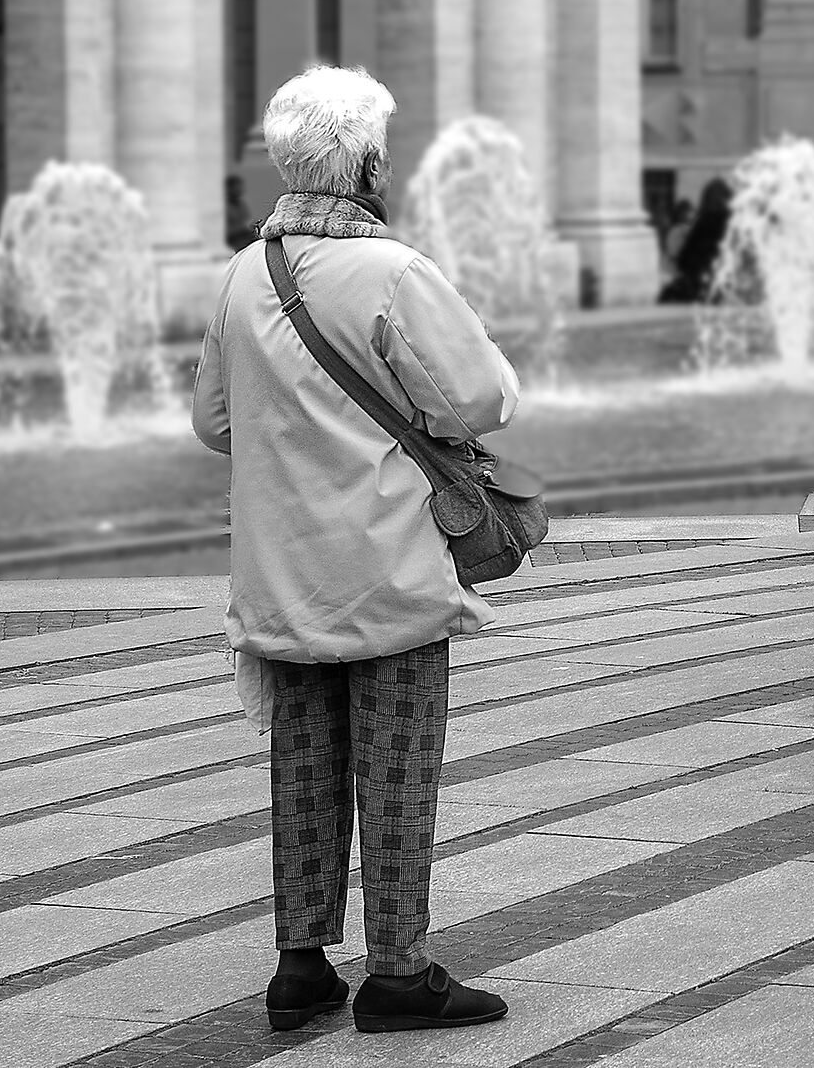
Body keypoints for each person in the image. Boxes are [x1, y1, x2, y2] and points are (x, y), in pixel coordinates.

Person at [192, 66, 519, 1036]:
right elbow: (480, 399)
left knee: (303, 768)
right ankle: (399, 972)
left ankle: (300, 967)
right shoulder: (395, 275)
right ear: (370, 162)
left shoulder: (245, 276)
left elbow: (212, 422)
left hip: (283, 577)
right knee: (398, 767)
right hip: (389, 572)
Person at [660, 177, 731, 302]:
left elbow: (687, 254)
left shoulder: (704, 220)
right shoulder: (731, 221)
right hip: (722, 277)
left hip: (700, 278)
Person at [225, 175, 259, 251]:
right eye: (236, 187)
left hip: (246, 241)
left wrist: (252, 226)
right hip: (233, 246)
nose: (239, 190)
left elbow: (245, 220)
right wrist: (244, 228)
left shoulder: (241, 204)